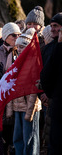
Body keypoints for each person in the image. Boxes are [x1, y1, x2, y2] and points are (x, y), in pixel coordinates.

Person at [6, 28, 41, 155]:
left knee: (30, 139)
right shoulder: (16, 63)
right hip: (17, 106)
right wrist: (10, 108)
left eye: (22, 47)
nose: (19, 49)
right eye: (18, 47)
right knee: (18, 138)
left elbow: (33, 89)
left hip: (29, 108)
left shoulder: (33, 63)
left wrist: (30, 110)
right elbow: (11, 86)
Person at [0, 22, 21, 154]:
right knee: (4, 123)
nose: (17, 37)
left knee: (14, 123)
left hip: (16, 93)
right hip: (2, 92)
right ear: (6, 36)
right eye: (14, 35)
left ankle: (12, 146)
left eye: (19, 35)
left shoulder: (20, 51)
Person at [40, 12, 62, 155]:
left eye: (57, 26)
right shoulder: (48, 48)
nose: (53, 29)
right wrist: (44, 92)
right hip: (52, 99)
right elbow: (43, 73)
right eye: (51, 26)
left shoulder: (58, 48)